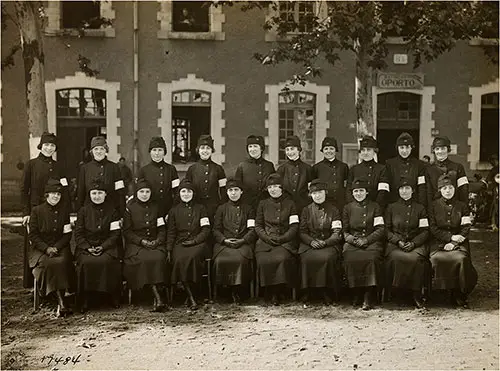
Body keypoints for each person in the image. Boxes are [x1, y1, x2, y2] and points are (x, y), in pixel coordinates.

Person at [21, 132, 69, 288]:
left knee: (59, 244)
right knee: (36, 245)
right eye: (47, 145)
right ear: (41, 146)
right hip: (37, 210)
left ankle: (61, 283)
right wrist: (26, 212)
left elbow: (65, 188)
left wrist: (66, 210)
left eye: (52, 146)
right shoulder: (31, 164)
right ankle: (36, 282)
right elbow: (24, 190)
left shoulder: (59, 166)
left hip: (56, 208)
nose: (49, 148)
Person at [429, 174, 478, 308]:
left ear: (455, 189)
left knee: (461, 259)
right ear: (440, 190)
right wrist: (448, 239)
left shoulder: (462, 206)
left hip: (459, 243)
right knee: (435, 260)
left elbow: (466, 227)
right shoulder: (433, 206)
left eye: (450, 187)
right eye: (444, 188)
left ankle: (459, 294)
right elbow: (432, 228)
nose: (448, 191)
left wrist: (455, 243)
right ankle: (439, 291)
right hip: (439, 242)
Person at [75, 179, 122, 312]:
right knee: (86, 262)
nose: (97, 196)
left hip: (107, 246)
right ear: (89, 194)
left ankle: (111, 295)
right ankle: (85, 298)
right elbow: (78, 234)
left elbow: (115, 234)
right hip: (87, 247)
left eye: (100, 193)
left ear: (105, 194)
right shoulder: (83, 211)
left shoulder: (112, 212)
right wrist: (87, 247)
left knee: (108, 261)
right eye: (94, 193)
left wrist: (104, 246)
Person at [28, 179, 74, 317]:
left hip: (60, 247)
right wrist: (47, 248)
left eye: (59, 194)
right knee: (49, 263)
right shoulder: (36, 211)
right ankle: (61, 301)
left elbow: (67, 235)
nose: (56, 197)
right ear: (46, 195)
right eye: (53, 194)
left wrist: (57, 247)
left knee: (63, 261)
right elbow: (33, 236)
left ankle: (60, 299)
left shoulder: (64, 211)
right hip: (41, 249)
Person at [123, 178, 168, 312]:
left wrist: (158, 241)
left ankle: (157, 295)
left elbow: (161, 228)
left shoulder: (156, 206)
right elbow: (127, 231)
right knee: (144, 259)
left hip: (155, 242)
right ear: (136, 192)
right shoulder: (129, 208)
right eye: (141, 191)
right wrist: (141, 241)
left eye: (147, 191)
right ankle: (157, 297)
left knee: (158, 257)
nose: (144, 194)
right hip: (136, 244)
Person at [384, 177, 430, 308]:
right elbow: (386, 230)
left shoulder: (420, 208)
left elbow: (425, 231)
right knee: (394, 258)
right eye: (402, 189)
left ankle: (415, 294)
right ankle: (396, 293)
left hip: (416, 243)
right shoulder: (391, 208)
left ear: (413, 190)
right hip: (396, 243)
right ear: (398, 191)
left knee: (416, 260)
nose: (404, 191)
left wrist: (414, 243)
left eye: (407, 188)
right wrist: (397, 241)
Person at [255, 173, 299, 305]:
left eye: (275, 186)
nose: (273, 190)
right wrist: (266, 238)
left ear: (282, 188)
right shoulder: (262, 204)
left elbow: (294, 226)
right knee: (263, 260)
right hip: (266, 241)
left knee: (282, 259)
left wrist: (283, 238)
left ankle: (280, 291)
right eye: (270, 187)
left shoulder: (290, 204)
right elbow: (258, 225)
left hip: (285, 241)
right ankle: (269, 291)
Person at [167, 179, 211, 310]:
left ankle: (193, 294)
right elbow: (171, 232)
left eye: (189, 191)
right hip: (180, 244)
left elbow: (206, 229)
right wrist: (169, 250)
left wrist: (195, 241)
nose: (186, 194)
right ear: (179, 193)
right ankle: (191, 296)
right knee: (179, 259)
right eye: (183, 191)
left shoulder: (201, 209)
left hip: (198, 243)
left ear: (194, 193)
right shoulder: (173, 211)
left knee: (193, 257)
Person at [342, 178, 386, 310]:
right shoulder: (347, 208)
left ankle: (368, 295)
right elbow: (344, 231)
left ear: (367, 192)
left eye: (361, 191)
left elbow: (380, 229)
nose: (359, 193)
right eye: (356, 191)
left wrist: (367, 240)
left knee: (371, 259)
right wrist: (353, 240)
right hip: (353, 242)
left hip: (371, 241)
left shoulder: (375, 206)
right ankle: (356, 293)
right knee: (349, 257)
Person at [298, 179, 343, 305]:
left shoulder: (334, 210)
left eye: (320, 192)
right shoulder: (306, 210)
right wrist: (311, 241)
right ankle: (308, 292)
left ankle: (327, 293)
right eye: (314, 193)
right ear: (310, 195)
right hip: (310, 244)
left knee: (328, 258)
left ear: (325, 193)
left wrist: (326, 242)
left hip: (329, 243)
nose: (317, 196)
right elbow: (302, 231)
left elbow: (337, 232)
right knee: (306, 259)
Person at [212, 178, 256, 304]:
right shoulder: (221, 208)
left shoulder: (249, 209)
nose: (233, 193)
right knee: (221, 260)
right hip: (224, 244)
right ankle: (224, 291)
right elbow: (215, 230)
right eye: (230, 190)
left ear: (241, 192)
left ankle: (238, 291)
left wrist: (242, 241)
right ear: (226, 192)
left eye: (236, 190)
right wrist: (224, 240)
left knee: (241, 260)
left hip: (243, 243)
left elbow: (252, 230)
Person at [77, 136, 126, 216]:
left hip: (110, 212)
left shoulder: (114, 167)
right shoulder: (85, 168)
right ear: (91, 151)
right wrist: (79, 213)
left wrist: (121, 213)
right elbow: (81, 192)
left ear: (106, 150)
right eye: (96, 149)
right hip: (90, 213)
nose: (99, 151)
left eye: (101, 149)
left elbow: (120, 192)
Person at [185, 134, 227, 221]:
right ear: (198, 150)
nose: (205, 151)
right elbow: (187, 189)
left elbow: (223, 191)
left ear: (212, 150)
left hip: (214, 208)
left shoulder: (218, 169)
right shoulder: (192, 169)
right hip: (196, 208)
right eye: (202, 148)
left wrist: (221, 209)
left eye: (208, 148)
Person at [137, 137, 180, 218]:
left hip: (168, 210)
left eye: (160, 150)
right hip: (150, 212)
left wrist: (173, 211)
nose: (157, 153)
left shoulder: (171, 169)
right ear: (150, 152)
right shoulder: (143, 170)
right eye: (154, 150)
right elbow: (139, 194)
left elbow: (177, 192)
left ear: (164, 152)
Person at [385, 132, 427, 207]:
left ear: (411, 147)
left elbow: (421, 188)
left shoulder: (419, 165)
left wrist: (421, 207)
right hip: (394, 204)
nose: (404, 151)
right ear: (397, 148)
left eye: (407, 147)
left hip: (413, 205)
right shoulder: (389, 164)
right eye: (401, 147)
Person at [347, 136, 389, 209]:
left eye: (368, 150)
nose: (365, 153)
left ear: (374, 152)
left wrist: (375, 208)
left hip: (376, 208)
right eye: (363, 150)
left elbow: (383, 192)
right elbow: (348, 190)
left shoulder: (382, 169)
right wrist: (355, 207)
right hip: (357, 209)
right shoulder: (354, 169)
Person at [234, 135, 275, 211]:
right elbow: (238, 187)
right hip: (247, 206)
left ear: (261, 148)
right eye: (250, 146)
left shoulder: (269, 166)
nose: (252, 149)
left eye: (255, 146)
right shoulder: (242, 166)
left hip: (266, 207)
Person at [425, 136, 469, 206]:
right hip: (436, 210)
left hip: (455, 209)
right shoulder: (429, 170)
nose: (440, 151)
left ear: (448, 150)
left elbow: (464, 190)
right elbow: (428, 194)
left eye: (443, 148)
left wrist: (464, 210)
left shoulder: (458, 167)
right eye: (437, 149)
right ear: (434, 150)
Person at [277, 135, 314, 215]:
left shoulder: (307, 169)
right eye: (287, 149)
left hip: (303, 207)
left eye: (292, 149)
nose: (290, 152)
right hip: (286, 207)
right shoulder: (281, 169)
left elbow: (311, 189)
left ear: (299, 150)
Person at [312, 136, 349, 211]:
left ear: (336, 150)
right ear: (322, 151)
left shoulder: (343, 166)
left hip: (340, 203)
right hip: (324, 204)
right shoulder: (317, 167)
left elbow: (346, 185)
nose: (329, 151)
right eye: (326, 149)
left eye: (331, 148)